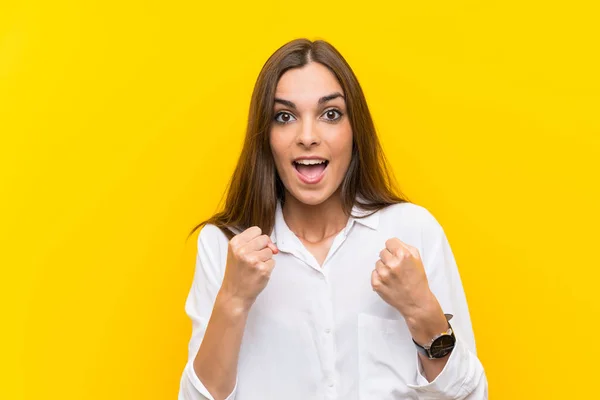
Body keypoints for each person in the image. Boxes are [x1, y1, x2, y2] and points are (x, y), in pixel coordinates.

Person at [178, 38, 488, 400]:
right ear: (266, 138)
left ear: (355, 130)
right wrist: (232, 299)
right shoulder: (223, 246)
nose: (307, 137)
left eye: (330, 114)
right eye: (285, 116)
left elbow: (471, 396)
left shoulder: (414, 232)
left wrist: (423, 312)